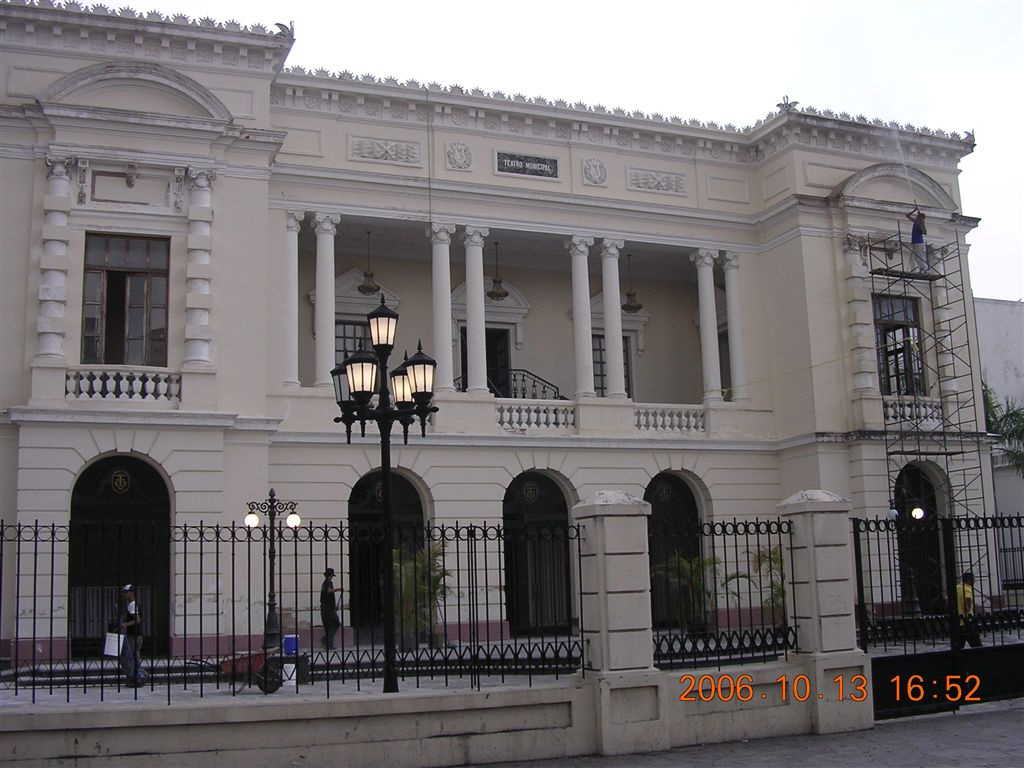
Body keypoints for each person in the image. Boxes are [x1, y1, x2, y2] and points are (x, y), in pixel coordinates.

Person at [119, 584, 147, 686]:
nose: (124, 595)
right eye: (124, 593)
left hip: (133, 635)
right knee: (135, 656)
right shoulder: (134, 604)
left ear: (131, 593)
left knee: (128, 657)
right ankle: (138, 677)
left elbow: (137, 620)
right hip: (137, 635)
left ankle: (134, 677)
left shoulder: (132, 605)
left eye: (126, 593)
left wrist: (125, 624)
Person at [955, 571, 982, 649]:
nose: (974, 581)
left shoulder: (957, 587)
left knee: (959, 646)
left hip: (957, 620)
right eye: (973, 579)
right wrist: (968, 611)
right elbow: (968, 602)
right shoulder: (967, 589)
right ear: (970, 580)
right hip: (967, 621)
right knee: (977, 645)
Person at [320, 567, 341, 650]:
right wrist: (338, 589)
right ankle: (325, 640)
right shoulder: (328, 582)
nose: (332, 577)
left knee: (329, 627)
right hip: (328, 609)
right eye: (332, 575)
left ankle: (329, 644)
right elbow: (329, 591)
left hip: (325, 609)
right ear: (331, 575)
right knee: (336, 624)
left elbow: (326, 596)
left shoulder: (324, 583)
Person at [904, 207, 928, 272]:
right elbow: (907, 215)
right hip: (915, 242)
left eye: (918, 217)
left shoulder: (920, 224)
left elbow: (924, 232)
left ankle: (924, 268)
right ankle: (922, 268)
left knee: (919, 256)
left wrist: (922, 223)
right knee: (917, 256)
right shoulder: (915, 222)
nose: (917, 217)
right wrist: (914, 210)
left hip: (919, 242)